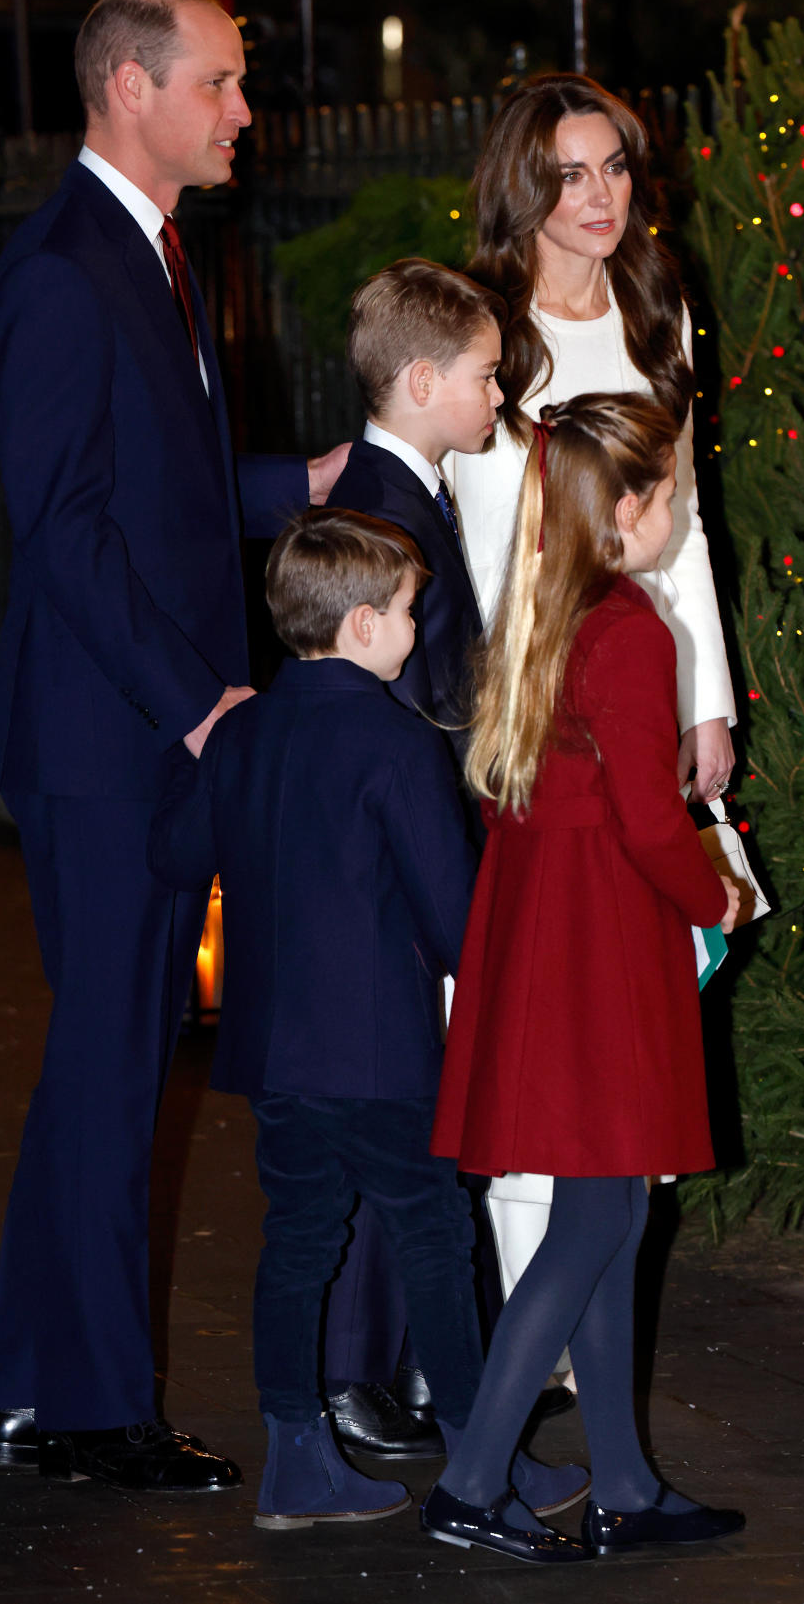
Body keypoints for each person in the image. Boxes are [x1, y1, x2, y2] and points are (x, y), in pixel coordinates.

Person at [0, 0, 346, 1491]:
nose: (244, 111)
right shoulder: (66, 269)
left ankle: (24, 1384)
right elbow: (62, 536)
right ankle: (90, 1411)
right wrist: (195, 699)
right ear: (131, 86)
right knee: (114, 1069)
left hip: (148, 737)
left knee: (103, 1066)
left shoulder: (160, 253)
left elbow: (162, 491)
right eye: (222, 83)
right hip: (112, 742)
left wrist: (301, 480)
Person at [147, 508, 586, 1551]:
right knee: (433, 1237)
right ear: (357, 627)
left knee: (299, 1238)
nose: (415, 623)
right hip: (380, 1050)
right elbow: (453, 916)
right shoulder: (392, 741)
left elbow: (174, 857)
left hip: (272, 1050)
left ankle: (297, 1453)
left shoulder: (246, 730)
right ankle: (483, 1456)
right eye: (405, 609)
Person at [422, 393, 745, 1565]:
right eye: (669, 490)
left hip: (554, 938)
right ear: (624, 509)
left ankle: (622, 1484)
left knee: (602, 1208)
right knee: (600, 1215)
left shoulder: (548, 613)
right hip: (602, 945)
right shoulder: (631, 631)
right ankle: (469, 1483)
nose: (679, 508)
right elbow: (654, 826)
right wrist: (715, 897)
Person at [444, 72, 739, 1311]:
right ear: (524, 181)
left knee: (639, 1023)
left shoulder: (656, 305)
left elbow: (686, 529)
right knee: (533, 1032)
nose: (602, 194)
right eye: (572, 172)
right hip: (531, 717)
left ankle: (591, 1327)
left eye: (615, 165)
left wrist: (705, 699)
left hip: (641, 681)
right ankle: (537, 1341)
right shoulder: (485, 334)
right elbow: (472, 534)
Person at [320, 258, 499, 1459]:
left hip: (415, 839)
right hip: (405, 854)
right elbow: (425, 688)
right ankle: (358, 1373)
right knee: (404, 1124)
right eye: (486, 376)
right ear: (424, 379)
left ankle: (421, 1367)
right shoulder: (387, 507)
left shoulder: (407, 483)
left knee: (430, 1117)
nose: (501, 394)